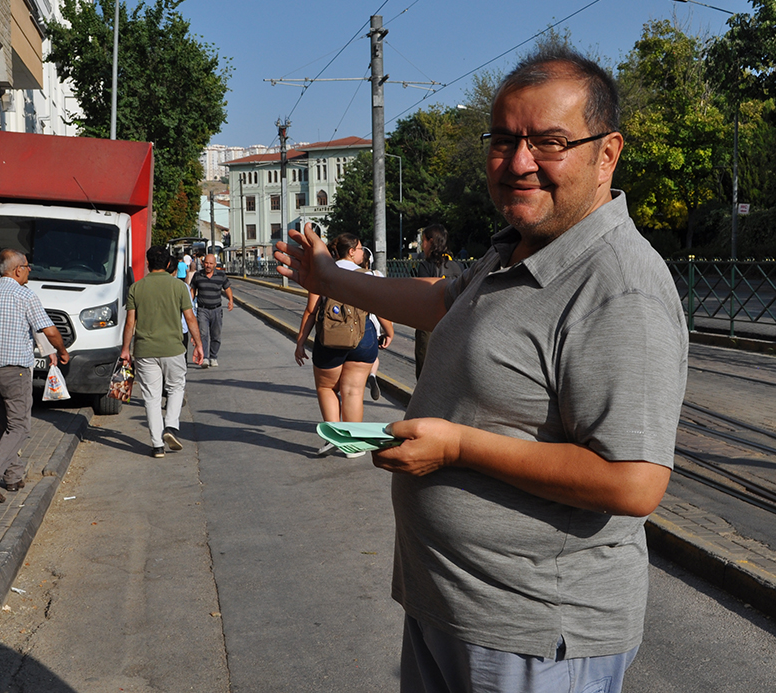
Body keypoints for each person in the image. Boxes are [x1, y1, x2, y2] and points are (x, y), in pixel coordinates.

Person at [274, 45, 688, 693]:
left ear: (607, 153)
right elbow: (441, 300)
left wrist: (457, 446)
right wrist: (330, 278)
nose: (519, 163)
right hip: (456, 608)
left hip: (534, 636)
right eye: (503, 140)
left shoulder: (618, 284)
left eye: (549, 142)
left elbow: (633, 482)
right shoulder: (517, 249)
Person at [0, 250, 69, 502]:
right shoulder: (25, 295)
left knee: (5, 425)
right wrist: (62, 350)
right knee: (20, 427)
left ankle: (13, 476)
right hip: (15, 371)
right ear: (17, 269)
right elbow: (49, 330)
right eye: (28, 266)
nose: (30, 270)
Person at [293, 233, 383, 458]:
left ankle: (334, 436)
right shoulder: (369, 274)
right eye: (361, 248)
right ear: (351, 251)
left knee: (327, 388)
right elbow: (381, 308)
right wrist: (388, 332)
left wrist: (301, 342)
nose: (363, 252)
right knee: (353, 391)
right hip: (363, 339)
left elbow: (311, 311)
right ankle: (353, 446)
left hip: (330, 341)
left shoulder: (323, 275)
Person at [121, 246, 203, 458]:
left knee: (151, 397)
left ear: (148, 263)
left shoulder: (136, 288)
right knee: (176, 388)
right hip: (173, 349)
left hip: (145, 350)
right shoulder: (179, 287)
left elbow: (130, 323)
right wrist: (198, 344)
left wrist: (125, 350)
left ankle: (157, 446)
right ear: (168, 264)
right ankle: (171, 427)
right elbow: (190, 318)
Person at [412, 224, 462, 379]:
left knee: (426, 371)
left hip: (430, 324)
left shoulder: (426, 266)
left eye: (423, 241)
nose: (422, 245)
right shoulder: (458, 266)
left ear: (431, 241)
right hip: (454, 323)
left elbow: (421, 296)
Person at [358, 246, 394, 401]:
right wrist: (389, 329)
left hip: (356, 321)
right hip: (374, 322)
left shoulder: (349, 275)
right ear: (370, 261)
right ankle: (372, 375)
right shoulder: (376, 274)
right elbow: (385, 302)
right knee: (372, 354)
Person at [190, 253, 235, 368]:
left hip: (216, 309)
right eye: (206, 263)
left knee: (216, 335)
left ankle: (213, 357)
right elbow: (193, 290)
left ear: (215, 264)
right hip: (202, 310)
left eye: (210, 263)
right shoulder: (198, 275)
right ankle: (204, 357)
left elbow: (227, 288)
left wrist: (230, 300)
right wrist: (190, 303)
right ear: (203, 263)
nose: (208, 265)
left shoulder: (221, 275)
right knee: (203, 334)